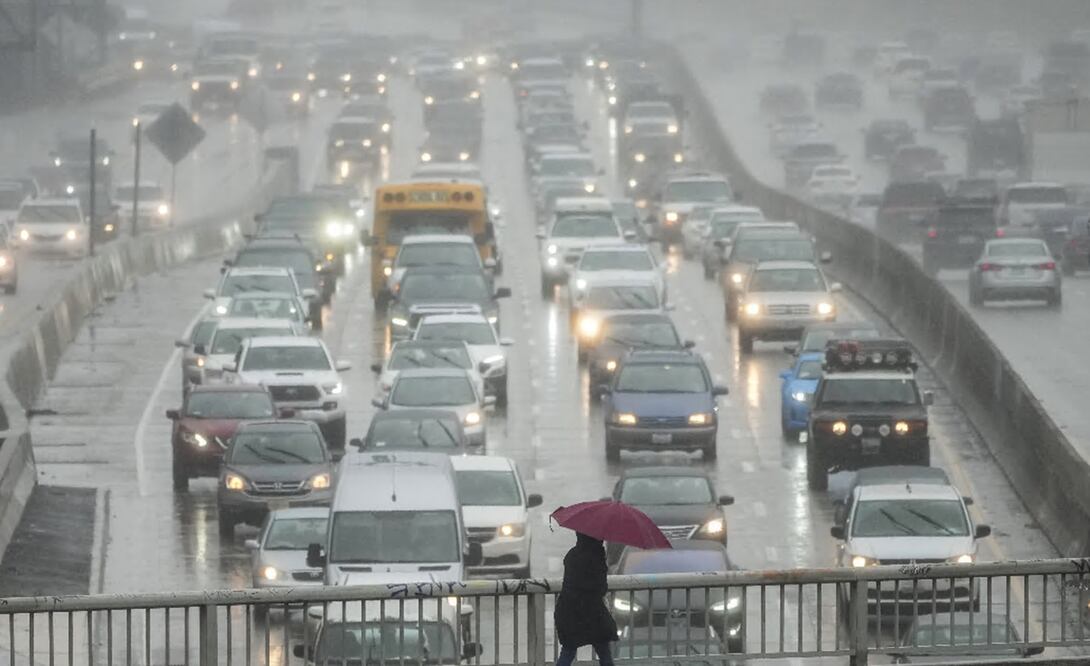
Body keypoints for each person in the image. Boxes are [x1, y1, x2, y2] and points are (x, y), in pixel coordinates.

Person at [553, 532, 617, 666]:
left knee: (568, 650)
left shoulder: (572, 555)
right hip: (592, 611)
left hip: (568, 608)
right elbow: (601, 588)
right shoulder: (596, 556)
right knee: (603, 650)